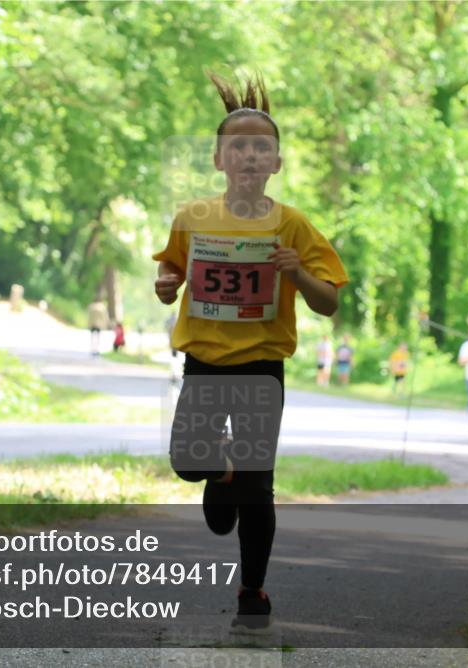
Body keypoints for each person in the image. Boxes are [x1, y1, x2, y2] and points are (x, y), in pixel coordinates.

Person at [152, 72, 348, 630]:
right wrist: (167, 285)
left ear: (277, 162)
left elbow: (329, 303)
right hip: (204, 362)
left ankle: (252, 592)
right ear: (218, 159)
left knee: (259, 490)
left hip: (263, 367)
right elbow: (172, 270)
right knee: (189, 463)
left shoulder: (292, 224)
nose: (250, 155)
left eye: (262, 147)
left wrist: (298, 275)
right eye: (238, 145)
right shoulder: (193, 217)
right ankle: (221, 470)